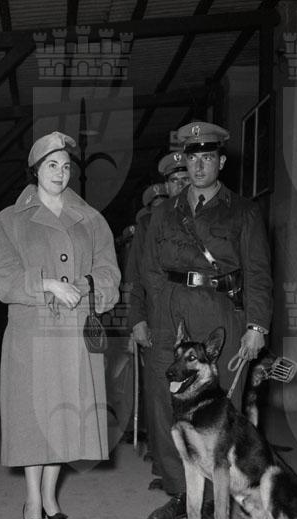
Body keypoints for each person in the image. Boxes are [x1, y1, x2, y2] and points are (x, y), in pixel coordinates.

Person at [140, 121, 272, 519]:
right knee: (165, 405)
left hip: (221, 315)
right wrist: (155, 315)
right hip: (172, 315)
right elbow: (150, 270)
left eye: (207, 158)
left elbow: (258, 273)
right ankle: (181, 493)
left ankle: (218, 499)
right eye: (192, 158)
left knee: (222, 414)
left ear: (221, 162)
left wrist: (257, 326)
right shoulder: (164, 212)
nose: (198, 167)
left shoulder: (244, 211)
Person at [0, 131, 120, 519]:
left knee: (63, 416)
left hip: (73, 332)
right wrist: (47, 284)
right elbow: (4, 279)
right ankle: (32, 498)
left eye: (65, 167)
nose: (60, 173)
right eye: (51, 165)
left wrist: (84, 285)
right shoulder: (10, 219)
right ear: (35, 170)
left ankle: (50, 495)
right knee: (33, 417)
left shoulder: (91, 219)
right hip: (31, 333)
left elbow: (109, 271)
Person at [126, 153, 190, 471]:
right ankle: (168, 470)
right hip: (158, 318)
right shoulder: (149, 224)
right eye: (175, 180)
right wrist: (137, 320)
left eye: (185, 178)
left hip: (196, 315)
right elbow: (136, 277)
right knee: (160, 396)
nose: (181, 185)